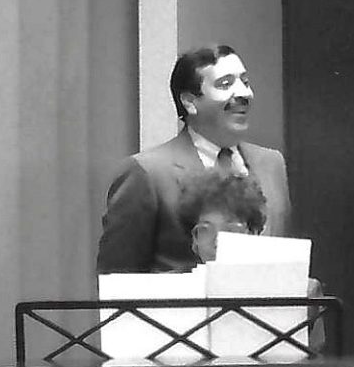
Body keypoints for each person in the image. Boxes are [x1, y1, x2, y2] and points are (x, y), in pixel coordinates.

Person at [100, 44, 292, 272]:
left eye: (245, 82)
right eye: (225, 84)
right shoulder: (146, 173)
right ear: (190, 102)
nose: (243, 93)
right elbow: (117, 281)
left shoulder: (272, 164)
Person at [174, 167, 268, 263]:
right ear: (194, 241)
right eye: (205, 230)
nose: (217, 243)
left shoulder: (277, 277)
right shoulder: (174, 278)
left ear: (253, 234)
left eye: (230, 230)